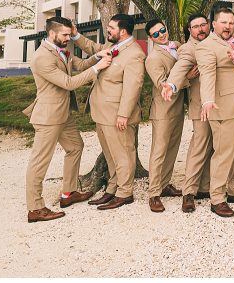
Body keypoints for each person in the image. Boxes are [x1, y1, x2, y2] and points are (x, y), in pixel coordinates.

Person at [24, 16, 111, 223]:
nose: (68, 38)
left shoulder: (61, 50)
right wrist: (98, 68)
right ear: (51, 33)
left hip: (63, 113)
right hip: (48, 116)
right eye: (65, 34)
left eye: (69, 34)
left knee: (75, 147)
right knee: (39, 162)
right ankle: (35, 208)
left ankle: (68, 193)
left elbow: (81, 65)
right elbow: (68, 83)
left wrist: (97, 56)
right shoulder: (41, 57)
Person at [73, 13, 145, 210]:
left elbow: (133, 87)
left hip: (118, 115)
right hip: (102, 113)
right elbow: (93, 48)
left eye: (112, 28)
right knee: (110, 155)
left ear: (123, 31)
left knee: (123, 154)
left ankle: (125, 192)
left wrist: (124, 114)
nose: (108, 30)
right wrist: (75, 35)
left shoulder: (135, 54)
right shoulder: (111, 46)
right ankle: (112, 188)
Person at [194, 8, 234, 218]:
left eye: (231, 22)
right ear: (213, 24)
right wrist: (207, 100)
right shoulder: (206, 46)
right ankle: (218, 198)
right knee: (224, 154)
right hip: (224, 109)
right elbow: (207, 74)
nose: (227, 26)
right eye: (223, 22)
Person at [162, 13, 214, 212]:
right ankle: (188, 192)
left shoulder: (216, 42)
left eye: (203, 25)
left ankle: (205, 187)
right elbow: (180, 67)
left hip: (219, 104)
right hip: (200, 106)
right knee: (199, 146)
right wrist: (172, 85)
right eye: (195, 26)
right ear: (189, 30)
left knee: (214, 147)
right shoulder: (188, 49)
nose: (200, 29)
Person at [143, 18, 185, 213]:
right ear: (150, 38)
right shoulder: (153, 58)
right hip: (163, 110)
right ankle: (154, 194)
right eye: (156, 34)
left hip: (178, 108)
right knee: (159, 152)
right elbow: (163, 85)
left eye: (163, 30)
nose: (161, 35)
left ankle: (165, 184)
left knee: (172, 149)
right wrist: (187, 79)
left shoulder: (176, 46)